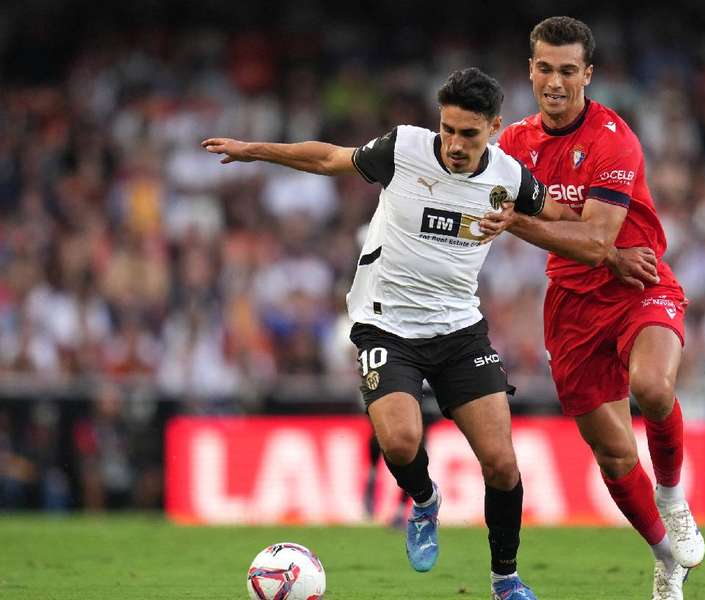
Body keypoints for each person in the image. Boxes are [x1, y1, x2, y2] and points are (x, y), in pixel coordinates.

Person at [203, 67, 615, 600]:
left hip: (460, 330)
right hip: (386, 322)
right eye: (448, 128)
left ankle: (506, 580)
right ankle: (424, 500)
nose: (455, 143)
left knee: (502, 463)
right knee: (399, 441)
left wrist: (606, 241)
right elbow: (331, 158)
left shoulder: (510, 179)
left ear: (493, 128)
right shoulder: (405, 148)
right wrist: (255, 150)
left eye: (469, 133)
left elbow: (569, 219)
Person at [483, 16, 705, 600]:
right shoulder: (514, 144)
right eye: (544, 69)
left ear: (588, 74)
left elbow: (599, 241)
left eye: (567, 70)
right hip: (570, 307)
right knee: (611, 452)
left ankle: (672, 497)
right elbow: (480, 191)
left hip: (639, 282)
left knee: (653, 389)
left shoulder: (613, 138)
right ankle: (665, 560)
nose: (554, 82)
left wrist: (517, 222)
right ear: (531, 70)